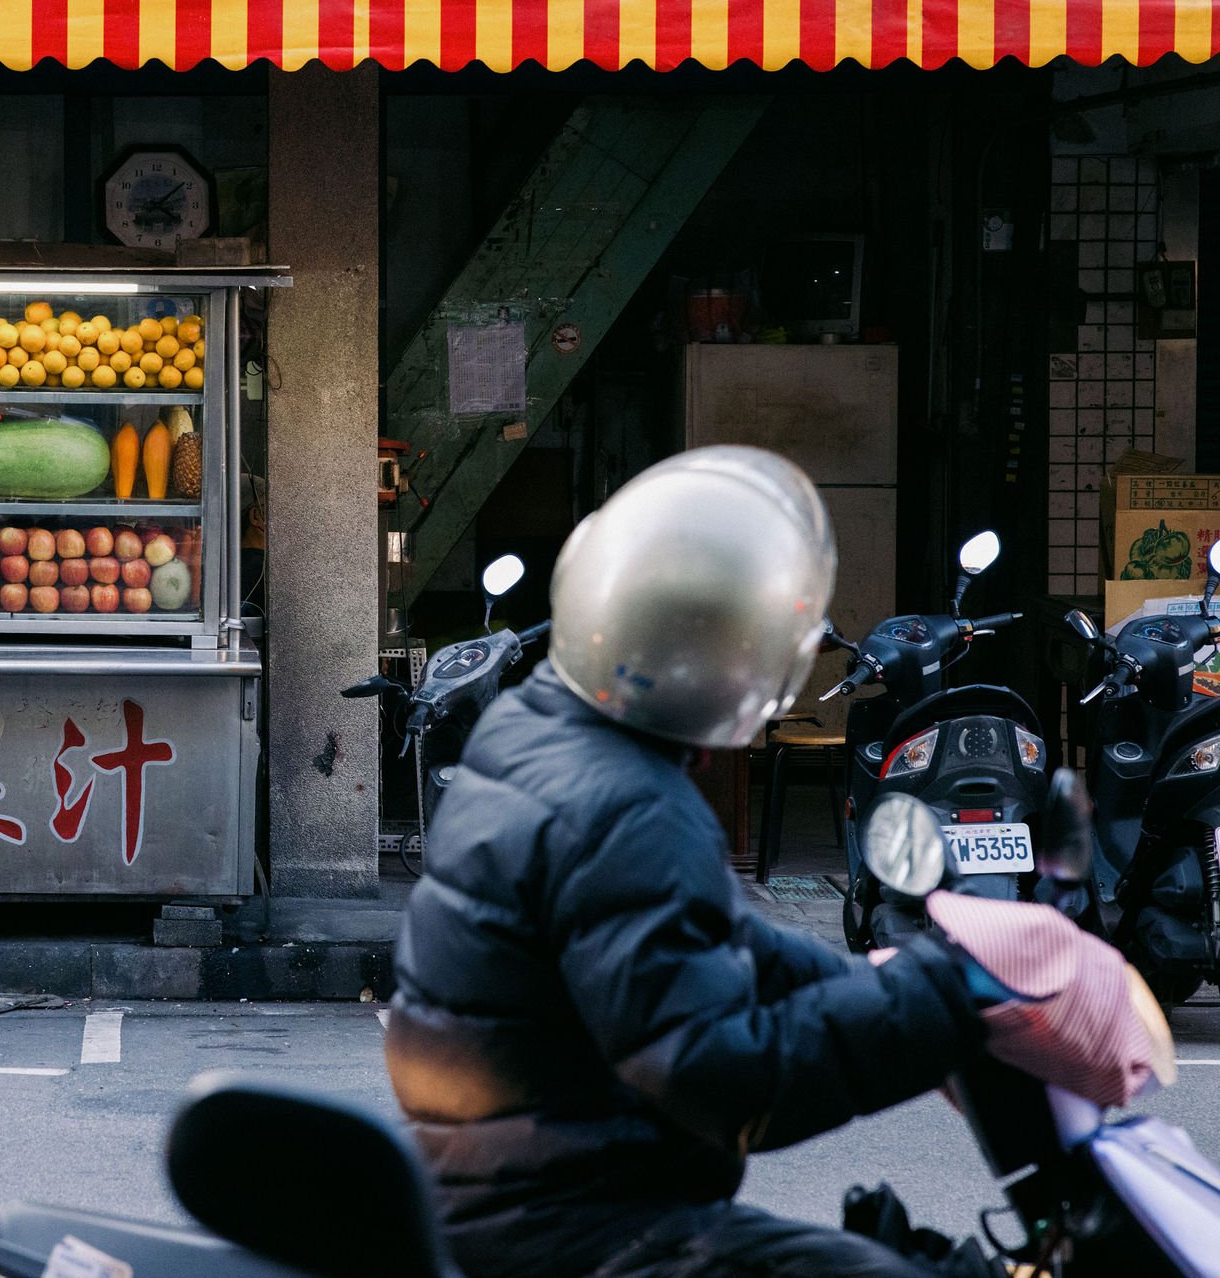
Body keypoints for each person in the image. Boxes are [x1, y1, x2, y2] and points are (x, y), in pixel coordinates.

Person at [385, 446, 995, 1278]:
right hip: (589, 1231)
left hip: (511, 1197)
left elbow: (704, 934)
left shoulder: (534, 731)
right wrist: (942, 1006)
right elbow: (714, 1073)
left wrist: (887, 984)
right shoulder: (630, 805)